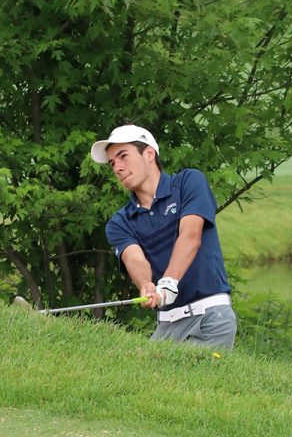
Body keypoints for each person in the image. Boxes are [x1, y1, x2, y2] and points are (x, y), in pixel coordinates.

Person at [92, 124, 237, 349]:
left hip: (210, 317)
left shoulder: (188, 182)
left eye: (123, 157)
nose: (117, 168)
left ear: (149, 153)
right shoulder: (120, 221)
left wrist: (169, 283)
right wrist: (146, 285)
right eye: (112, 163)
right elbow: (134, 259)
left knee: (193, 384)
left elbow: (190, 236)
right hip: (166, 326)